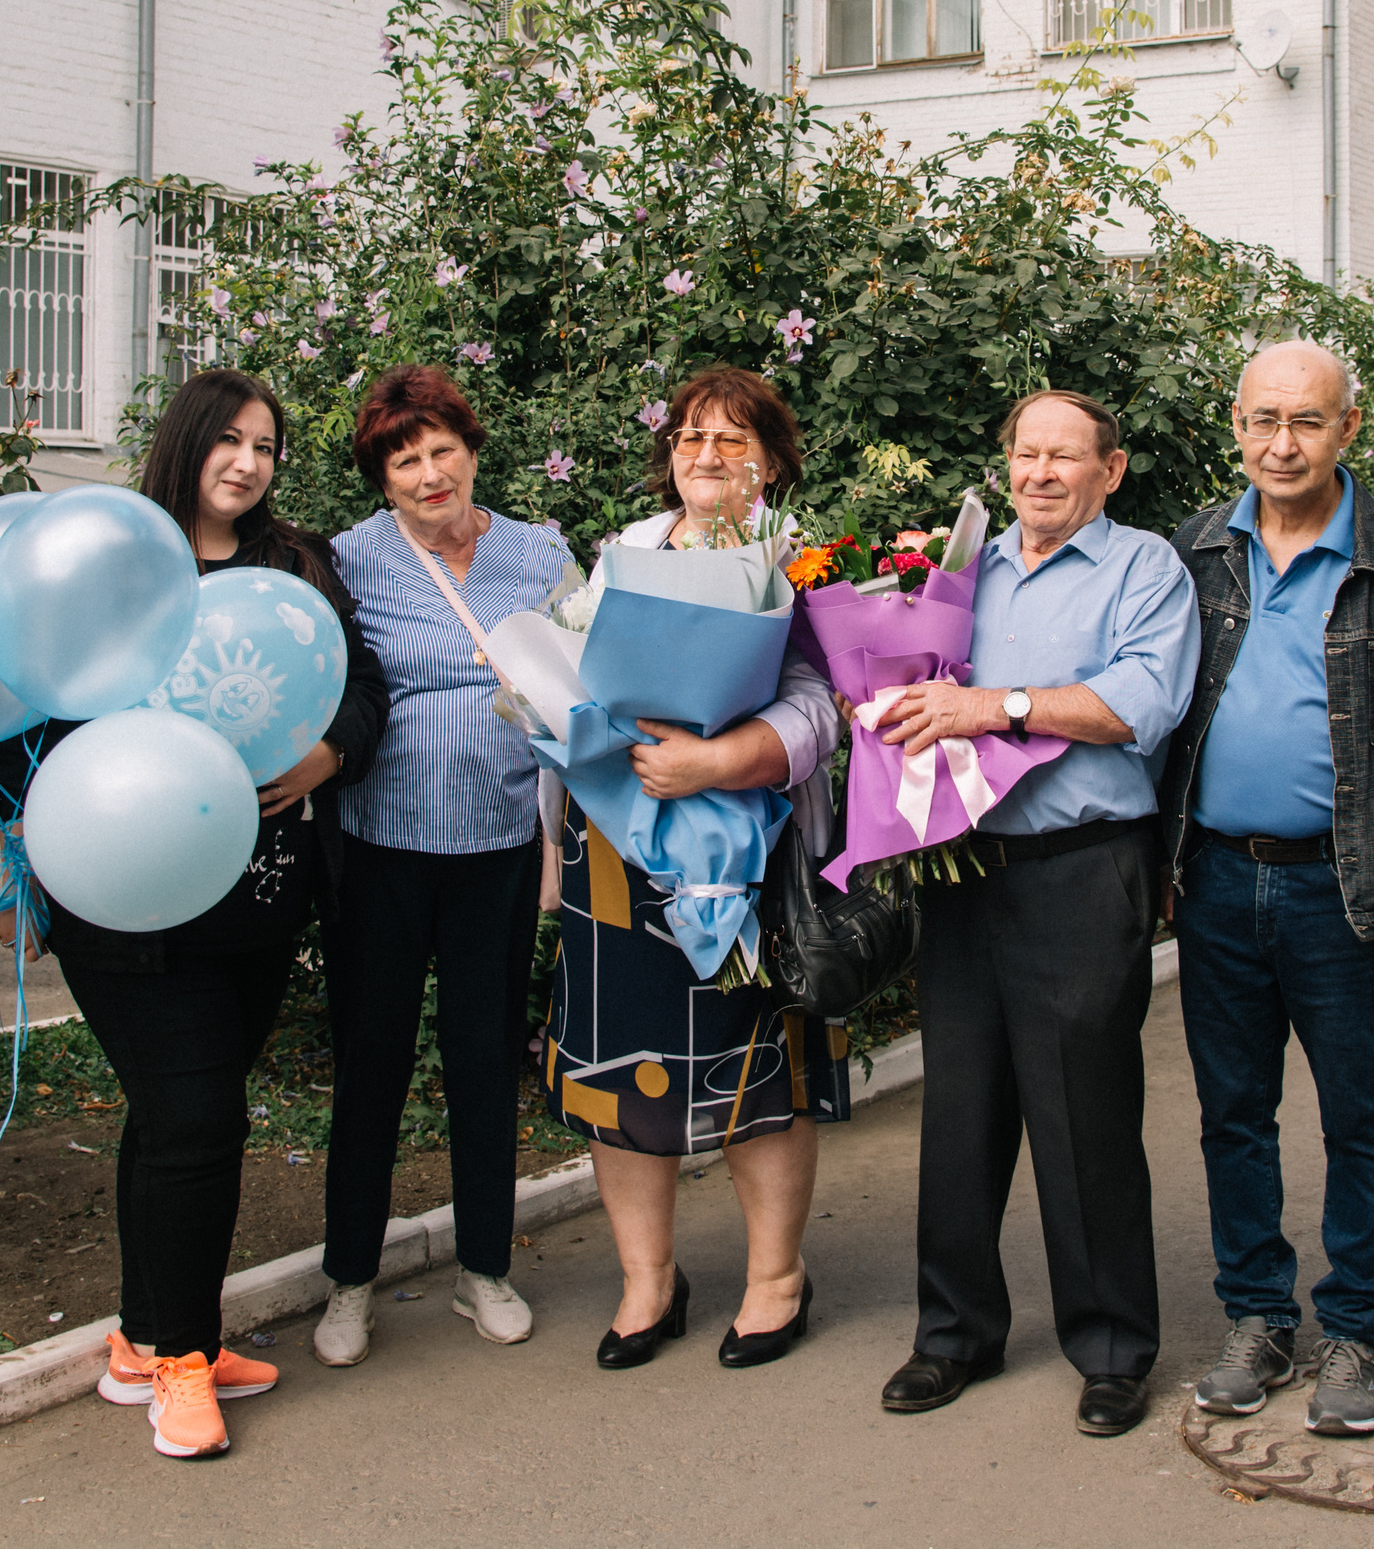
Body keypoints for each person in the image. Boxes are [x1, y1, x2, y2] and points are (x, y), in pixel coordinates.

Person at [0, 367, 390, 1460]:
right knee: (200, 1120)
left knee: (170, 1120)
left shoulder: (294, 564)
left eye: (264, 444)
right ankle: (182, 1361)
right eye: (227, 439)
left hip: (255, 901)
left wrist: (329, 752)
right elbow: (16, 712)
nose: (247, 463)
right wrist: (34, 855)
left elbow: (364, 688)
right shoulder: (114, 561)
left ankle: (139, 1338)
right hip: (125, 905)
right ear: (185, 443)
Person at [1158, 340, 1374, 1437]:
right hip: (1213, 885)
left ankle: (1353, 1328)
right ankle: (1257, 1314)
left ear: (1351, 426)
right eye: (1262, 420)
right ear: (1235, 424)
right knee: (1232, 1117)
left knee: (1361, 1117)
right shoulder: (1194, 554)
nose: (1281, 444)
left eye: (1305, 421)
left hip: (1346, 895)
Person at [869, 389, 1200, 1437]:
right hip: (964, 865)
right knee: (959, 1111)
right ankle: (951, 1335)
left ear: (1110, 470)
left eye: (1065, 456)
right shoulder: (966, 563)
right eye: (1025, 453)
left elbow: (1139, 704)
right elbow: (920, 679)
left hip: (1080, 862)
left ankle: (1109, 1347)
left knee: (1082, 1114)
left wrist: (995, 707)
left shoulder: (1145, 569)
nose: (1040, 473)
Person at [542, 365, 848, 1372]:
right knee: (616, 1074)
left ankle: (774, 1282)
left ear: (770, 460)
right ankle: (648, 1283)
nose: (705, 457)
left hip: (741, 847)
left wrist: (716, 760)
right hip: (616, 851)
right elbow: (575, 675)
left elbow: (820, 710)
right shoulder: (622, 553)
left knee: (755, 1076)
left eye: (731, 439)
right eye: (688, 437)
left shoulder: (794, 560)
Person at [316, 365, 572, 1365]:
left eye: (440, 450)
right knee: (370, 1068)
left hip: (499, 850)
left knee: (481, 1062)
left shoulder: (538, 555)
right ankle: (348, 1283)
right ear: (381, 478)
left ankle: (483, 1268)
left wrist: (552, 842)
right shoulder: (350, 561)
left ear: (471, 451)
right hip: (379, 853)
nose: (428, 474)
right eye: (402, 458)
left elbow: (567, 695)